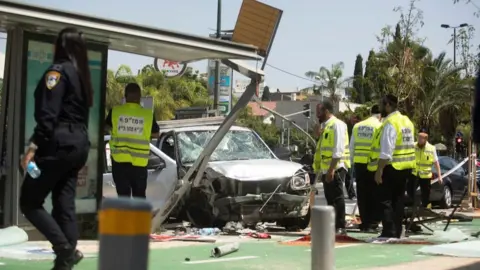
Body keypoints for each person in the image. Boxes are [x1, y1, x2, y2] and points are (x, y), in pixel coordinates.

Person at [19, 27, 91, 270]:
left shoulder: (57, 72)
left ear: (60, 47)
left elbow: (48, 116)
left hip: (56, 145)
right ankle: (64, 264)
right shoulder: (82, 77)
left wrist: (32, 147)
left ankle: (65, 249)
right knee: (64, 203)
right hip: (77, 146)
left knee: (29, 202)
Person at [367, 94, 416, 238]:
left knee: (385, 199)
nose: (380, 107)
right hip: (405, 167)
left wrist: (379, 170)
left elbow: (387, 151)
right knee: (398, 200)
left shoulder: (390, 123)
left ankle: (389, 230)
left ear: (388, 105)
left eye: (382, 104)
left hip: (392, 166)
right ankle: (397, 230)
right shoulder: (407, 121)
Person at [105, 83, 160, 198]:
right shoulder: (147, 114)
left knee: (123, 198)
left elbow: (105, 128)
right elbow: (155, 134)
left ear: (125, 96)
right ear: (140, 97)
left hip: (119, 163)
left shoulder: (115, 111)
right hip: (139, 164)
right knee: (139, 197)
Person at [313, 100, 350, 235]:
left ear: (327, 111)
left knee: (337, 197)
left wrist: (331, 170)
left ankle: (340, 226)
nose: (317, 115)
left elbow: (338, 150)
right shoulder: (325, 127)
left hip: (336, 168)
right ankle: (332, 226)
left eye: (319, 112)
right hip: (326, 168)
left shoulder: (337, 125)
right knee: (330, 198)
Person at [350, 104, 382, 232]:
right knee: (374, 194)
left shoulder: (358, 126)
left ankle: (365, 221)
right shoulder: (379, 126)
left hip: (359, 164)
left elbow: (352, 147)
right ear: (380, 115)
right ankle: (372, 223)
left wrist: (352, 163)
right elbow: (381, 147)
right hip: (373, 165)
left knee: (362, 195)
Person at [408, 128, 442, 209]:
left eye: (422, 138)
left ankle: (425, 207)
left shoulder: (431, 148)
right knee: (409, 190)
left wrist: (440, 176)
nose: (419, 139)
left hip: (426, 176)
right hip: (414, 173)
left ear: (426, 139)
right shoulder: (413, 146)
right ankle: (416, 204)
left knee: (425, 195)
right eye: (419, 137)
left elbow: (436, 162)